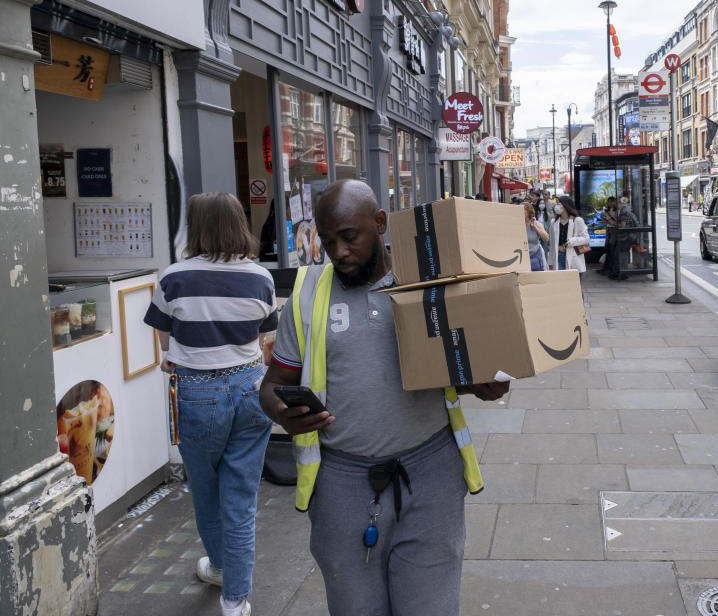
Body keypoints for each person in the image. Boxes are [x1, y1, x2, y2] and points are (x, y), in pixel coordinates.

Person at [258, 180, 507, 616]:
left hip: (431, 476)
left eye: (349, 237)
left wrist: (483, 383)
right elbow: (272, 383)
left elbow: (463, 363)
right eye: (328, 240)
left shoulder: (428, 280)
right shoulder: (307, 294)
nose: (338, 252)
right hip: (341, 484)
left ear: (380, 223)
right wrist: (281, 411)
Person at [144, 192, 278, 616]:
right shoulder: (261, 277)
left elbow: (166, 345)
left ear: (196, 226)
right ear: (239, 223)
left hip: (196, 394)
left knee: (205, 489)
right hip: (251, 391)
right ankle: (235, 600)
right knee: (241, 496)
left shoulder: (175, 277)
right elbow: (263, 340)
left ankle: (220, 566)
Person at [548, 195, 589, 283]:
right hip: (559, 257)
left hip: (574, 257)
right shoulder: (554, 222)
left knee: (576, 288)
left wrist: (572, 241)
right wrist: (550, 262)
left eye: (559, 203)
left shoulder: (577, 220)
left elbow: (586, 238)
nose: (557, 206)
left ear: (566, 205)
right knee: (562, 288)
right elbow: (551, 243)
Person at [608, 197, 640, 281]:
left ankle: (623, 274)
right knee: (621, 255)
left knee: (621, 255)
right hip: (625, 237)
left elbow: (623, 225)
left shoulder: (623, 212)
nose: (615, 205)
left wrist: (613, 223)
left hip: (624, 237)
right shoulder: (625, 210)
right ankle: (621, 273)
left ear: (618, 203)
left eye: (616, 203)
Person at [523, 201, 549, 270]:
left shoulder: (536, 224)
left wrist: (535, 227)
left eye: (523, 210)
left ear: (529, 212)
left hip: (535, 257)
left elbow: (546, 238)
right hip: (521, 258)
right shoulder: (517, 225)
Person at [598, 196, 618, 275]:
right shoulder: (607, 210)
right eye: (609, 202)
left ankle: (611, 268)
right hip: (609, 230)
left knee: (612, 249)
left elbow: (615, 222)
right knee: (607, 249)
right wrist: (603, 218)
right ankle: (606, 267)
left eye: (612, 202)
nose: (610, 203)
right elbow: (607, 222)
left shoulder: (617, 211)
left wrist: (609, 218)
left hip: (614, 231)